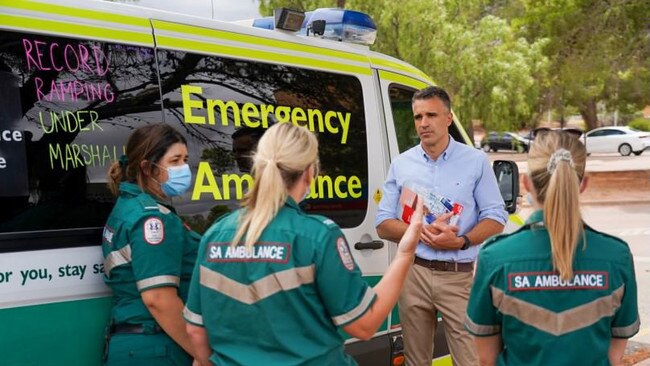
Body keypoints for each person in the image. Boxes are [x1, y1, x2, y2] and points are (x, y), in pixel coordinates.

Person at [184, 122, 424, 366]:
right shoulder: (317, 235)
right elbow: (364, 325)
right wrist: (405, 253)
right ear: (310, 172)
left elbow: (195, 332)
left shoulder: (215, 235)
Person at [465, 130, 639, 365]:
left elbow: (486, 359)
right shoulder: (617, 256)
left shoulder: (494, 257)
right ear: (583, 184)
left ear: (526, 184)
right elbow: (614, 356)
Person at [376, 86, 508, 366]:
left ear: (449, 118)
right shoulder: (402, 164)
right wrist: (419, 232)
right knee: (415, 361)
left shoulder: (475, 161)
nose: (423, 123)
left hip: (458, 277)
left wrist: (461, 241)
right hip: (414, 273)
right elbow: (383, 224)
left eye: (431, 115)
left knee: (470, 360)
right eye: (418, 116)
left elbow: (496, 217)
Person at [102, 124, 201, 366]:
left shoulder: (129, 207)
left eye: (185, 159)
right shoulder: (152, 218)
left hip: (139, 344)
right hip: (157, 345)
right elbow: (158, 298)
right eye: (175, 160)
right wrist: (204, 355)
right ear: (147, 167)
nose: (184, 168)